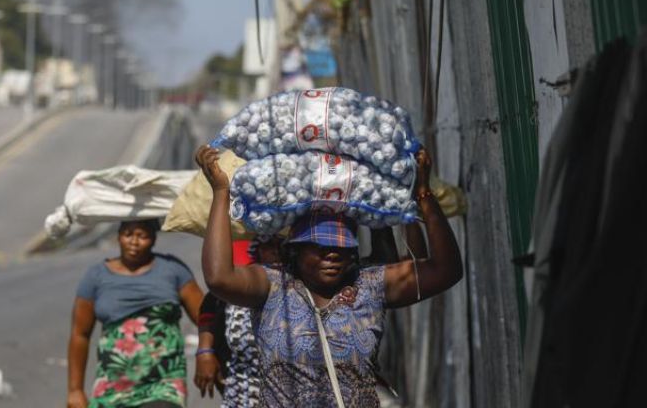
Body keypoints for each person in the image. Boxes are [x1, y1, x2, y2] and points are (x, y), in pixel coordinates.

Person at [195, 145, 463, 407]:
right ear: (295, 251)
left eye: (341, 247)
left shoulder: (369, 285)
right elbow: (219, 278)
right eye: (320, 248)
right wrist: (221, 192)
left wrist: (423, 195)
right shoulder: (273, 285)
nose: (332, 255)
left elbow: (446, 270)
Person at [67, 219, 205, 408]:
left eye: (142, 236)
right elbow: (79, 335)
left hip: (163, 385)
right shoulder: (96, 277)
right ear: (118, 237)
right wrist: (75, 390)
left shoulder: (173, 270)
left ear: (154, 239)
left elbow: (205, 320)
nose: (134, 241)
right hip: (112, 388)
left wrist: (208, 353)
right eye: (128, 234)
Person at [194, 236, 283, 407]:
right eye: (269, 246)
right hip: (241, 386)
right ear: (258, 249)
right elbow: (209, 307)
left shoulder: (303, 287)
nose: (276, 252)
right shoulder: (243, 282)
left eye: (282, 246)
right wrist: (205, 351)